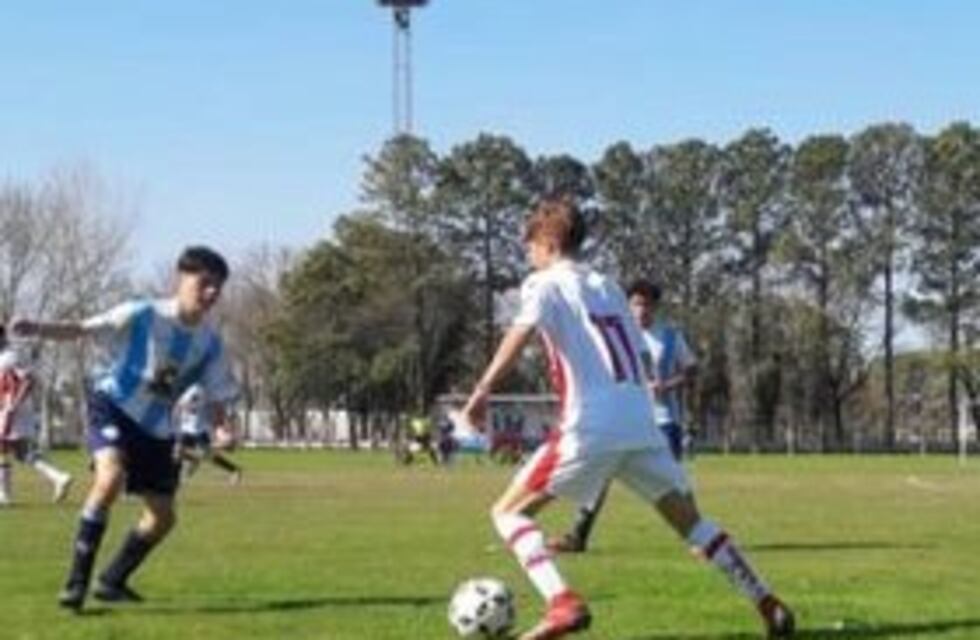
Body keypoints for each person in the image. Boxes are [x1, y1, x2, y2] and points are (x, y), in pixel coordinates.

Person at [459, 197, 794, 640]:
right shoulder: (608, 285)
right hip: (639, 419)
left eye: (529, 243)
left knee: (508, 514)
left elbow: (519, 334)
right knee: (691, 521)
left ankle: (562, 604)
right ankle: (768, 603)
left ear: (549, 241)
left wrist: (482, 391)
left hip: (590, 422)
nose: (527, 252)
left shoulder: (544, 284)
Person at [10, 246, 239, 611]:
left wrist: (223, 427)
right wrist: (38, 327)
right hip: (113, 406)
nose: (212, 292)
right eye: (205, 283)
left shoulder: (210, 344)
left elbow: (216, 395)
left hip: (157, 428)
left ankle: (112, 579)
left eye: (218, 287)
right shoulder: (144, 313)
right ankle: (76, 583)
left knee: (162, 517)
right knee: (110, 478)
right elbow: (82, 329)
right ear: (181, 279)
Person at [550, 278, 697, 553]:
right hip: (621, 420)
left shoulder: (670, 336)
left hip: (663, 419)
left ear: (656, 307)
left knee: (674, 480)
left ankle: (697, 537)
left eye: (647, 304)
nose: (642, 310)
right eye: (636, 304)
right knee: (598, 478)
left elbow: (691, 370)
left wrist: (666, 386)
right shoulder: (619, 335)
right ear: (627, 306)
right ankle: (578, 536)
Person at [0, 327, 73, 506]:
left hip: (12, 409)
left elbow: (29, 380)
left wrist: (14, 405)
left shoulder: (10, 356)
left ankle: (4, 496)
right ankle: (58, 477)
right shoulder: (6, 356)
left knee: (3, 448)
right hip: (10, 408)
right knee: (21, 453)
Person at [174, 384, 243, 484]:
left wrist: (222, 423)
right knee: (177, 452)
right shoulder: (186, 390)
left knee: (208, 456)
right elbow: (180, 407)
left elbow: (212, 405)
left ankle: (234, 470)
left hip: (200, 429)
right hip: (186, 429)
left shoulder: (198, 389)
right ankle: (193, 461)